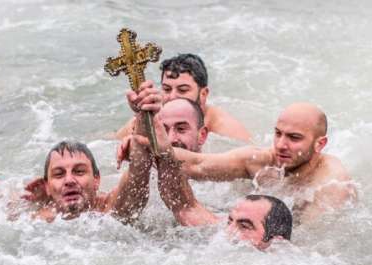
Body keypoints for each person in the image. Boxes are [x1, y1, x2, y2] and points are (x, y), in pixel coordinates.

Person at [121, 102, 293, 250]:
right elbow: (183, 205)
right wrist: (152, 137)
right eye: (229, 221)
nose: (228, 233)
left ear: (276, 243)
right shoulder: (218, 236)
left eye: (245, 226)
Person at [170, 102, 356, 224]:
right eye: (278, 133)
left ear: (319, 144)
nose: (281, 145)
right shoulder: (263, 160)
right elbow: (197, 165)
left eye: (294, 138)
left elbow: (304, 247)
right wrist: (148, 137)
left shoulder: (331, 184)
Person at [21, 115, 154, 224]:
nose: (69, 180)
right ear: (47, 187)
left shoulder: (109, 209)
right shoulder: (37, 220)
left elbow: (138, 173)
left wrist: (142, 119)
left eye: (79, 172)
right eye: (59, 174)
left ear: (96, 180)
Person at [116, 53, 252, 143]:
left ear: (203, 94)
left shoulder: (226, 131)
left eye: (183, 90)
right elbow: (109, 146)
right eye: (167, 89)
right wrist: (142, 118)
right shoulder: (151, 117)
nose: (172, 97)